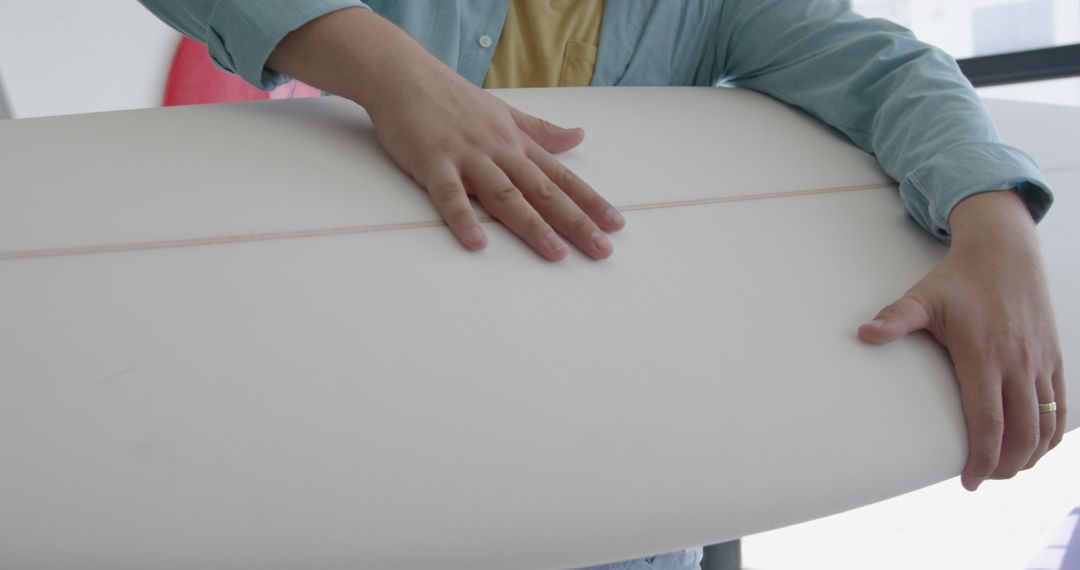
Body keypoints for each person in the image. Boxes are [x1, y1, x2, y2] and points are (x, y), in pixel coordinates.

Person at [137, 1, 1068, 568]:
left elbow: (892, 72)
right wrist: (393, 74)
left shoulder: (715, 9)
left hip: (604, 467)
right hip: (370, 424)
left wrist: (996, 220)